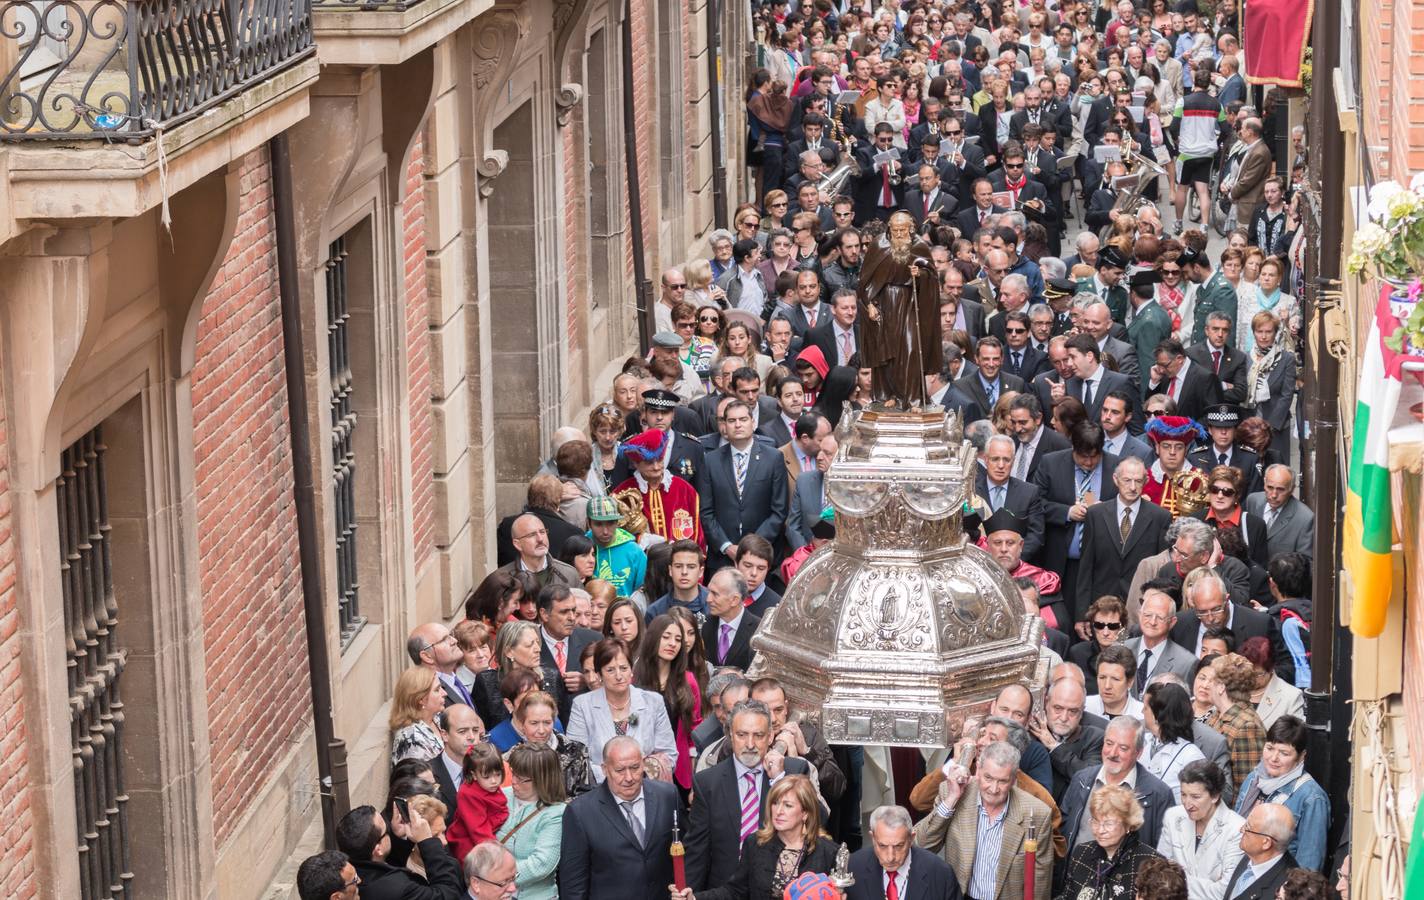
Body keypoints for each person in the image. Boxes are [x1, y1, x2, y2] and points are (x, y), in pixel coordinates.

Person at [685, 700, 820, 890]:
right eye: (742, 735)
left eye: (758, 735)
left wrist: (781, 780)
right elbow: (696, 852)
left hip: (778, 890)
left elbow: (819, 821)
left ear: (771, 736)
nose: (750, 744)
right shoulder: (708, 783)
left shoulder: (793, 770)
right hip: (725, 892)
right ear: (731, 735)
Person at [911, 740, 1054, 900]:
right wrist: (951, 799)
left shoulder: (1037, 814)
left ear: (1014, 779)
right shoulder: (952, 793)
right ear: (977, 769)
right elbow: (921, 845)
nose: (993, 789)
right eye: (988, 778)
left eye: (1003, 781)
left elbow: (1040, 882)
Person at [669, 774, 839, 900]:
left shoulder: (828, 852)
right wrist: (694, 898)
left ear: (805, 813)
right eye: (775, 803)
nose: (778, 811)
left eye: (787, 805)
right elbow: (735, 891)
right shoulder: (756, 843)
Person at [559, 735, 684, 900]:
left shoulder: (667, 796)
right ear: (604, 769)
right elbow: (573, 885)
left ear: (644, 762)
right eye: (619, 770)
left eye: (635, 767)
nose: (629, 778)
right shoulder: (580, 812)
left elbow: (687, 849)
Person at [857, 210, 943, 406]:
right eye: (895, 230)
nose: (898, 234)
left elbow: (932, 277)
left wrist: (920, 274)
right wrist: (869, 303)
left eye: (902, 230)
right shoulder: (879, 245)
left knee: (910, 348)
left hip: (909, 302)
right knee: (885, 352)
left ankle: (911, 398)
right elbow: (865, 280)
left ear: (910, 229)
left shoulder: (919, 246)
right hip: (884, 301)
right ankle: (888, 394)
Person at [567, 638, 678, 783]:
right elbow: (575, 762)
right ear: (599, 675)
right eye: (610, 670)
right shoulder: (582, 705)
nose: (619, 676)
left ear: (632, 670)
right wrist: (614, 776)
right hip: (600, 793)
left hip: (646, 788)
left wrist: (638, 773)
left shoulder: (653, 702)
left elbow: (669, 755)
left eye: (624, 668)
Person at [1058, 716, 1176, 851]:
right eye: (1109, 743)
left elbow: (1163, 852)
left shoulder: (1158, 794)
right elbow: (1063, 832)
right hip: (1077, 871)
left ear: (1138, 753)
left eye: (1123, 748)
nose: (1113, 753)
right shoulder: (1081, 779)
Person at [701, 399, 790, 572]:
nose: (738, 425)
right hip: (723, 559)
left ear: (753, 422)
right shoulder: (710, 461)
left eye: (743, 419)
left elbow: (779, 510)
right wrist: (726, 546)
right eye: (732, 421)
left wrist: (752, 546)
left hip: (762, 556)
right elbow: (706, 512)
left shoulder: (773, 458)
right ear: (724, 426)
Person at [1233, 716, 1329, 871]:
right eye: (1269, 748)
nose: (1273, 758)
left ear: (1301, 756)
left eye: (1284, 753)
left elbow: (1309, 865)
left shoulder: (1311, 798)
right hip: (1241, 869)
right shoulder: (1253, 779)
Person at [486, 743, 567, 899]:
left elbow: (542, 863)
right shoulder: (500, 795)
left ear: (543, 780)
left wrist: (495, 876)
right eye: (513, 773)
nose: (514, 781)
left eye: (522, 779)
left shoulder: (556, 812)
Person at [1157, 760, 1246, 900]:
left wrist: (1175, 880)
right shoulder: (1173, 817)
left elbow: (1225, 891)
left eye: (1195, 797)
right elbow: (1159, 874)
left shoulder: (1236, 829)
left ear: (1215, 796)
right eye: (1183, 794)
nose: (1187, 804)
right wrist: (1210, 884)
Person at [1056, 783, 1164, 900]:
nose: (1100, 830)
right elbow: (1067, 896)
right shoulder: (1082, 852)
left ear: (1128, 823)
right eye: (1095, 821)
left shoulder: (1152, 863)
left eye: (1108, 823)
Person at [336, 803, 464, 900]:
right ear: (378, 849)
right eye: (386, 830)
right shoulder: (397, 889)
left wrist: (399, 838)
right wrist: (427, 841)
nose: (390, 827)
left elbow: (386, 867)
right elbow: (449, 894)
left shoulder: (352, 871)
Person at [845, 805, 963, 900]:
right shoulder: (853, 868)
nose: (890, 857)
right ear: (873, 838)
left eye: (898, 846)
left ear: (911, 838)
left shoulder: (940, 874)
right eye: (882, 846)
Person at [472, 621, 563, 729]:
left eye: (538, 643)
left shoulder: (551, 677)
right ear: (509, 651)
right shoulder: (487, 682)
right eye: (529, 645)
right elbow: (480, 727)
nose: (538, 649)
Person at [1030, 676, 1106, 802]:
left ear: (1082, 711)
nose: (1064, 717)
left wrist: (1054, 746)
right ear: (1046, 703)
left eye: (1072, 711)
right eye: (1058, 708)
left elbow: (1089, 779)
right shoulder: (1031, 732)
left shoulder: (1095, 738)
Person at [1205, 653, 1269, 799]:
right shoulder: (1216, 715)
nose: (1207, 685)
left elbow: (1246, 789)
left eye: (1211, 681)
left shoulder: (1248, 727)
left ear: (1221, 687)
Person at [1122, 589, 1197, 697]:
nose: (1152, 622)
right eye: (1148, 615)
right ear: (1140, 615)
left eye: (1160, 618)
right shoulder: (1122, 649)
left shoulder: (1187, 663)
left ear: (1172, 622)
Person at [447, 741, 511, 864]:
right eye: (487, 777)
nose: (494, 781)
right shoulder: (468, 794)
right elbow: (479, 830)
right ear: (474, 775)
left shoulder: (487, 786)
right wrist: (495, 853)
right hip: (467, 844)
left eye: (497, 775)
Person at [1142, 683, 1206, 801]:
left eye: (1145, 708)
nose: (1142, 711)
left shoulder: (1191, 756)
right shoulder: (1143, 742)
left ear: (1157, 715)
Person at [1221, 804, 1298, 900]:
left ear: (1266, 842)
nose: (1241, 830)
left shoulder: (1285, 890)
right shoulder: (1253, 854)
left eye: (1248, 827)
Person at [1243, 466, 1314, 559]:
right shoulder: (1253, 501)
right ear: (1264, 483)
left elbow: (1306, 562)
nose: (1273, 495)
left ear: (1292, 489)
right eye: (1270, 487)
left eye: (1280, 489)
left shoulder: (1305, 518)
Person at [499, 511, 584, 589]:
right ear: (517, 544)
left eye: (542, 532)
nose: (540, 539)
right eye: (532, 535)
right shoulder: (501, 579)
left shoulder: (569, 574)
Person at [587, 495, 649, 597]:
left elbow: (642, 593)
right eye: (598, 524)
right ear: (589, 523)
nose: (605, 531)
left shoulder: (634, 552)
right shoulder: (581, 549)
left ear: (617, 522)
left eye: (610, 523)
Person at [1238, 636, 1305, 730]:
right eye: (1247, 672)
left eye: (1257, 674)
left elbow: (1295, 737)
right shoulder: (1232, 687)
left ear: (1270, 669)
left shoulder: (1291, 696)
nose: (1250, 678)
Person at [431, 703, 486, 813]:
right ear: (444, 735)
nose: (471, 737)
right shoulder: (428, 773)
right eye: (462, 731)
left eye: (475, 730)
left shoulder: (487, 769)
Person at [703, 567, 760, 670]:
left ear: (734, 600)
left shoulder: (758, 631)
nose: (708, 599)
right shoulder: (704, 625)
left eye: (715, 594)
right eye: (709, 592)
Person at [1070, 596, 1129, 694]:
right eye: (1099, 626)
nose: (1105, 632)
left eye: (1112, 626)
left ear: (1122, 627)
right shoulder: (1077, 653)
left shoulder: (1131, 655)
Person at [390, 666, 447, 763]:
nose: (445, 693)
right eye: (437, 690)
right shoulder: (412, 739)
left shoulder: (437, 718)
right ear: (420, 699)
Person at [1085, 643, 1145, 719]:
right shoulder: (1084, 707)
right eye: (1102, 677)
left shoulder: (1142, 716)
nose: (1107, 686)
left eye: (1115, 679)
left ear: (1130, 682)